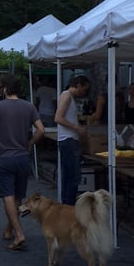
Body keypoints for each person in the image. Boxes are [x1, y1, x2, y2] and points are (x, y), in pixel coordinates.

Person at [0, 74, 44, 249]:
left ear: (5, 88)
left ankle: (19, 234)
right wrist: (30, 143)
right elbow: (41, 130)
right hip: (22, 157)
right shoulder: (29, 107)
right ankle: (9, 229)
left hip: (5, 158)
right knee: (18, 197)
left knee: (7, 196)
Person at [54, 75, 91, 205]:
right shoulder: (66, 96)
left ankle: (67, 204)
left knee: (69, 175)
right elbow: (58, 118)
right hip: (68, 140)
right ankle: (69, 205)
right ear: (78, 85)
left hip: (69, 140)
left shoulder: (68, 97)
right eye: (84, 89)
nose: (84, 92)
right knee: (73, 176)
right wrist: (77, 128)